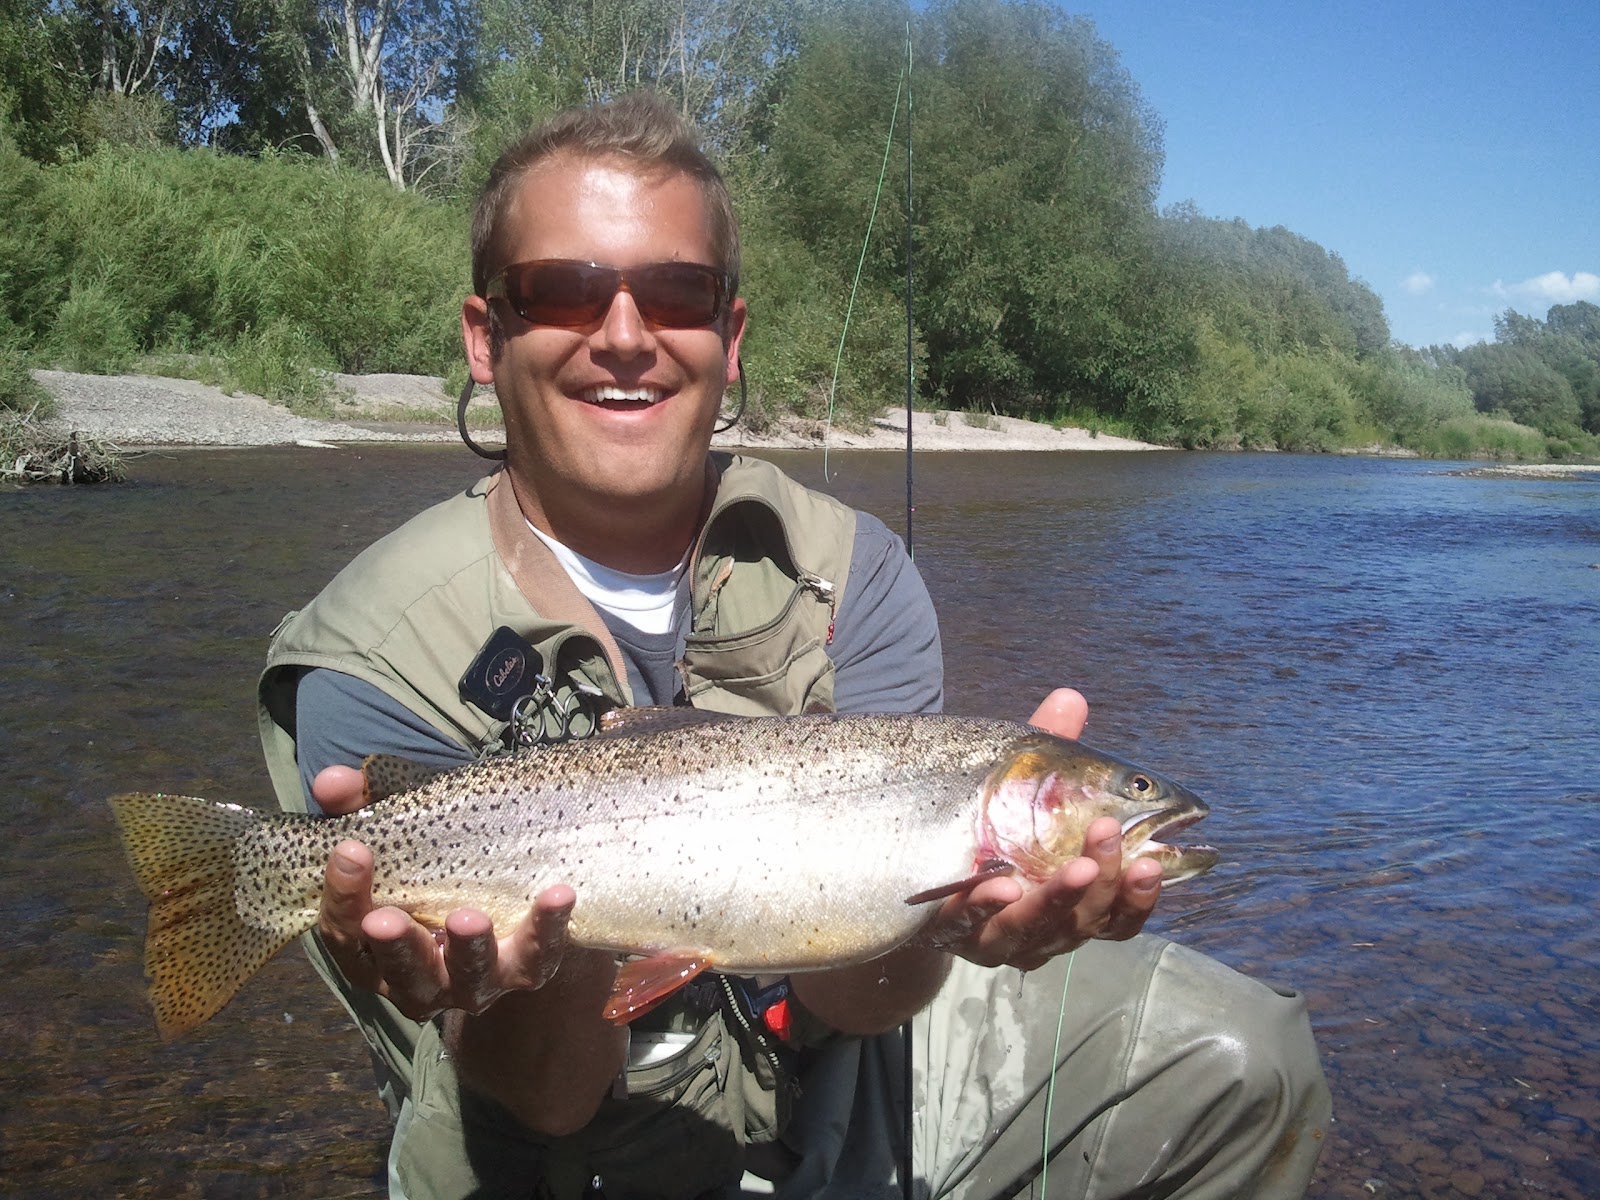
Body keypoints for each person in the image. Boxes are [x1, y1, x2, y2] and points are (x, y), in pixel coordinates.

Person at [257, 92, 1330, 1200]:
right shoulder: (369, 654)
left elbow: (857, 1000)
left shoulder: (852, 570)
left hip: (821, 1067)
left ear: (729, 336)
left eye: (676, 293)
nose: (624, 334)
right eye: (566, 292)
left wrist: (950, 924)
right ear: (486, 339)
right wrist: (533, 964)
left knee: (1244, 1062)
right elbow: (543, 1099)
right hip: (545, 1144)